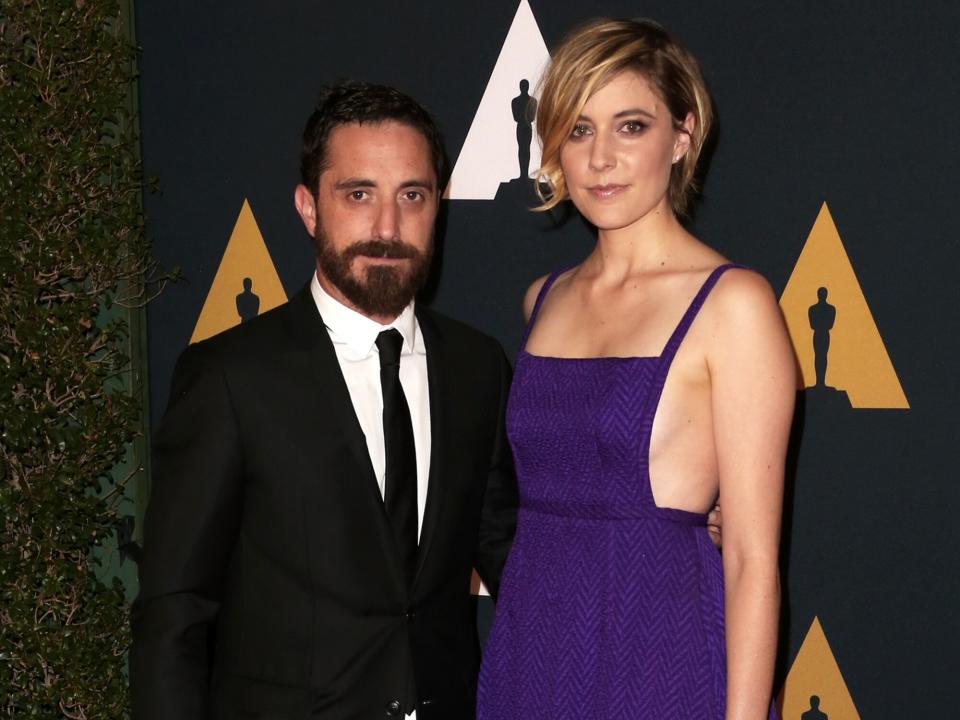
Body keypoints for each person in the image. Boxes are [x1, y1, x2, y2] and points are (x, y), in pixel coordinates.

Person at [130, 81, 518, 720]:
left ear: (437, 207)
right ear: (309, 208)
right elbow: (176, 610)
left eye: (412, 196)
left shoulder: (479, 367)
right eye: (358, 194)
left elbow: (514, 559)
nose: (387, 228)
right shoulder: (231, 378)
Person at [477, 18, 795, 720]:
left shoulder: (733, 304)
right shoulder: (544, 299)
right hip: (534, 650)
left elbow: (750, 560)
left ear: (682, 137)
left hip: (664, 654)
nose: (600, 159)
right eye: (579, 129)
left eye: (630, 126)